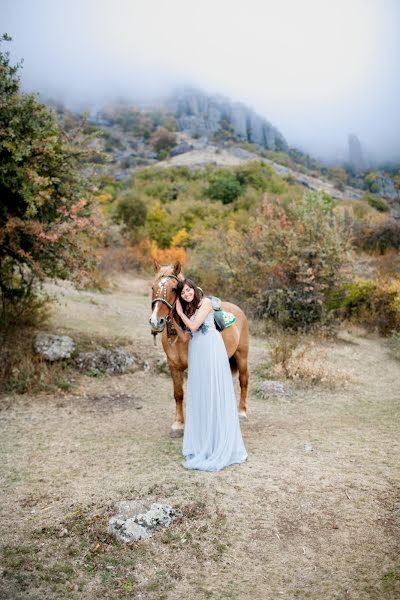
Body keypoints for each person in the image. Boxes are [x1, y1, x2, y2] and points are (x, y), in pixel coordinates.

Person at [172, 278, 247, 472]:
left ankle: (219, 442)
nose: (186, 294)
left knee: (214, 390)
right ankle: (204, 440)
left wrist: (180, 312)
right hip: (197, 351)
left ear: (194, 290)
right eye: (183, 293)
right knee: (200, 392)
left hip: (211, 349)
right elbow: (187, 336)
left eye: (188, 291)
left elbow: (196, 326)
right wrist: (175, 321)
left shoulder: (205, 303)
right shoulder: (189, 311)